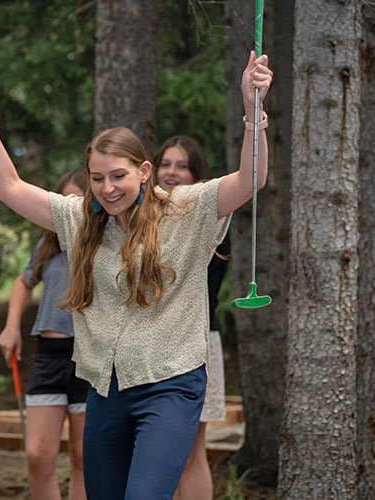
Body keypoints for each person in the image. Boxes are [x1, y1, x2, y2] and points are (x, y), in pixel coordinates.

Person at [0, 51, 272, 500]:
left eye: (119, 176)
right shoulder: (80, 219)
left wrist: (252, 109)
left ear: (144, 171)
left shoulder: (185, 210)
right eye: (98, 178)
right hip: (106, 390)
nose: (108, 188)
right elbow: (6, 185)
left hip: (171, 385)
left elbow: (251, 179)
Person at [0, 168, 89, 500]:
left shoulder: (101, 244)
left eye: (76, 200)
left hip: (88, 358)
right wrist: (11, 327)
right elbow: (24, 282)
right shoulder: (47, 244)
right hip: (48, 356)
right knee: (37, 455)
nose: (68, 207)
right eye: (62, 199)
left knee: (83, 457)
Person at [153, 136, 231, 500]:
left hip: (194, 342)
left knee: (190, 454)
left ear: (196, 173)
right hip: (150, 347)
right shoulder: (143, 216)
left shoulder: (209, 217)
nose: (171, 172)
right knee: (161, 457)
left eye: (181, 166)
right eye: (166, 164)